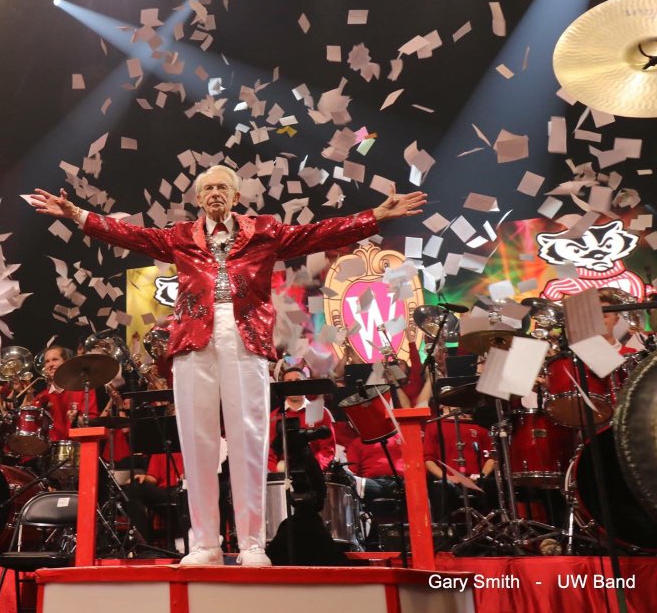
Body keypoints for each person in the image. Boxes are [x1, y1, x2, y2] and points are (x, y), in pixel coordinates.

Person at [31, 166, 425, 566]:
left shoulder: (264, 231)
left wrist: (376, 215)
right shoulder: (180, 236)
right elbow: (129, 234)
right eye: (207, 188)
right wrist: (75, 213)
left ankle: (253, 543)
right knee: (197, 439)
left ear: (237, 197)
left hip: (246, 338)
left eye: (222, 187)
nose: (214, 193)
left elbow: (320, 233)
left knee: (249, 437)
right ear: (199, 198)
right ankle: (205, 544)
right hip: (193, 340)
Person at [268, 367, 336, 473]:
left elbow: (327, 449)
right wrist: (277, 473)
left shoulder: (320, 412)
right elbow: (270, 453)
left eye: (298, 381)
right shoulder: (274, 417)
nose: (294, 386)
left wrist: (312, 469)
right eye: (289, 382)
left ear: (305, 384)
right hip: (283, 474)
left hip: (314, 474)